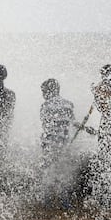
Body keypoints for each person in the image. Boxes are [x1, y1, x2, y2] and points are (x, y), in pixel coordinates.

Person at [39, 78, 76, 209]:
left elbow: (45, 125)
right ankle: (65, 203)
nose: (43, 95)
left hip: (49, 144)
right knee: (62, 172)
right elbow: (72, 122)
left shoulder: (45, 105)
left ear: (49, 92)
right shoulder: (69, 104)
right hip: (64, 145)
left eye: (43, 92)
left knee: (48, 172)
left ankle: (47, 203)